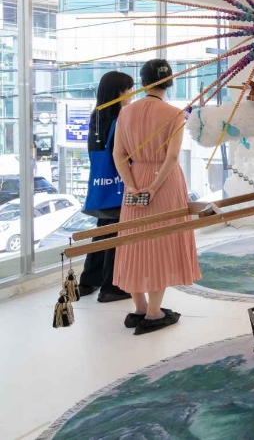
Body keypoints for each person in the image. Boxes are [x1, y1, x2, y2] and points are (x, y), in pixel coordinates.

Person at [112, 59, 201, 335]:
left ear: (142, 82)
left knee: (133, 241)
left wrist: (132, 185)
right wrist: (153, 187)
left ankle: (139, 308)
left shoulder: (125, 112)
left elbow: (118, 155)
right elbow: (172, 157)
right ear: (170, 82)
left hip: (135, 179)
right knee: (161, 243)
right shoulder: (174, 114)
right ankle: (154, 312)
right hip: (164, 182)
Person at [78, 71, 135, 303]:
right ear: (119, 93)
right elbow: (124, 155)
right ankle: (112, 288)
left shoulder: (97, 118)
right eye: (129, 90)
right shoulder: (120, 121)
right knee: (116, 235)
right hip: (119, 186)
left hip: (101, 185)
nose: (131, 95)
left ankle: (87, 282)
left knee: (103, 232)